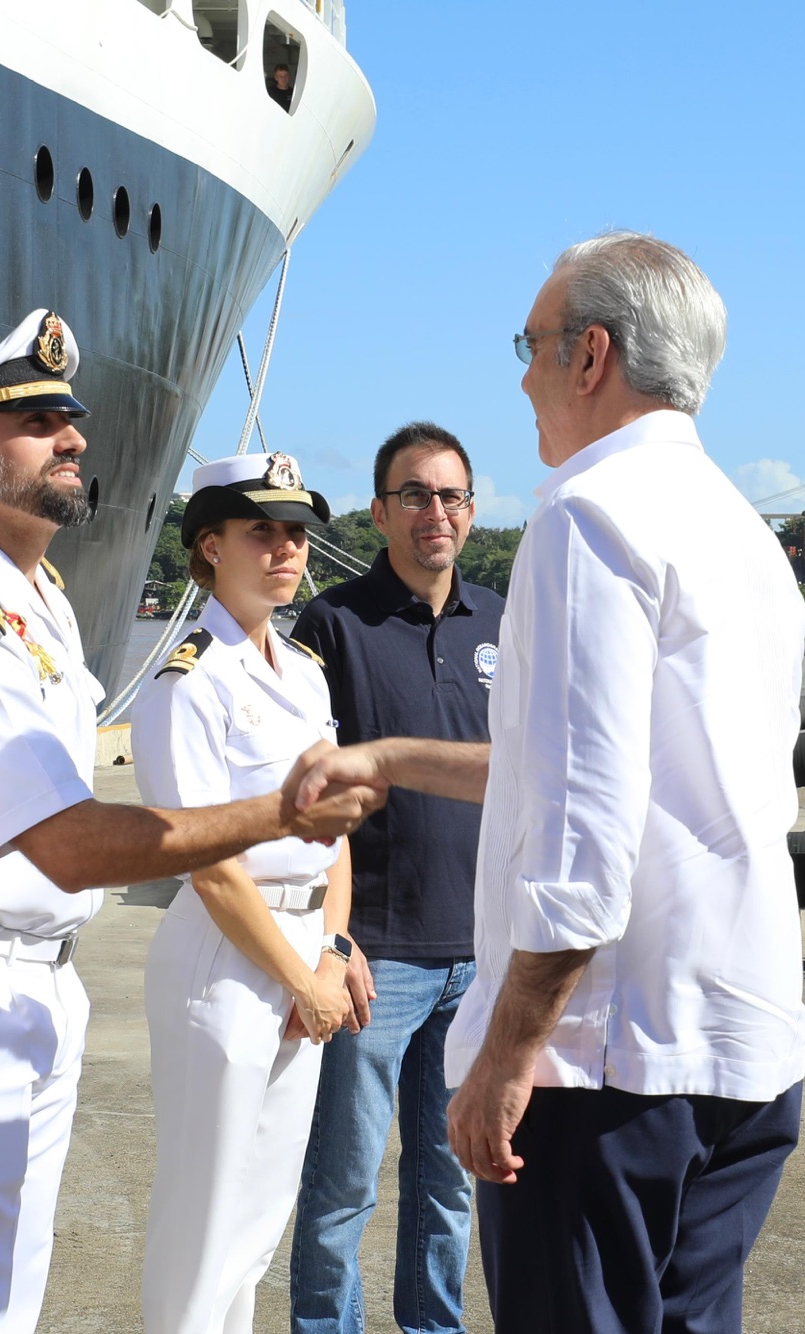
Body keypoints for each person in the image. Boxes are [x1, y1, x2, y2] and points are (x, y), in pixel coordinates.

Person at [289, 232, 805, 1333]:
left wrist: (507, 1052)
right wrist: (388, 758)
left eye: (529, 346)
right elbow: (604, 772)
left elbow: (586, 825)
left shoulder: (586, 512)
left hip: (605, 1063)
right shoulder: (741, 531)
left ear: (590, 357)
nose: (520, 375)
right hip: (745, 1042)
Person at [0, 315, 382, 1334]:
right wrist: (282, 814)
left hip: (49, 976)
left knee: (19, 1287)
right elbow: (64, 839)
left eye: (69, 418)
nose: (71, 437)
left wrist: (328, 940)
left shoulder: (43, 604)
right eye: (35, 419)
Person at [133, 452, 356, 1334]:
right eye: (260, 531)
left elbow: (336, 827)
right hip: (226, 960)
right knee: (205, 1221)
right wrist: (299, 979)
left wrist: (332, 955)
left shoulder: (302, 672)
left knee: (260, 1220)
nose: (285, 549)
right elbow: (208, 863)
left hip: (307, 951)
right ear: (208, 547)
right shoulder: (188, 681)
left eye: (296, 533)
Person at [287, 422, 501, 1334]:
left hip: (478, 958)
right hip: (380, 960)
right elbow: (301, 801)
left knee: (448, 1189)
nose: (435, 514)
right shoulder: (333, 624)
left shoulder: (501, 622)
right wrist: (335, 943)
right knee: (341, 1190)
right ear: (379, 511)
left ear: (472, 509)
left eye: (451, 496)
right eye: (414, 495)